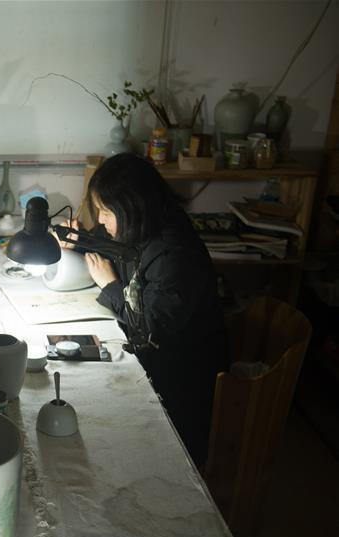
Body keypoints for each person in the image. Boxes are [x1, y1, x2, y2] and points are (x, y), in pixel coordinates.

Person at [58, 153, 229, 467]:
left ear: (131, 208)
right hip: (161, 360)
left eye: (107, 212)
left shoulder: (173, 253)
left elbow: (149, 330)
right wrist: (77, 240)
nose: (102, 220)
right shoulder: (144, 226)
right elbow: (107, 241)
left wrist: (110, 285)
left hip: (180, 380)